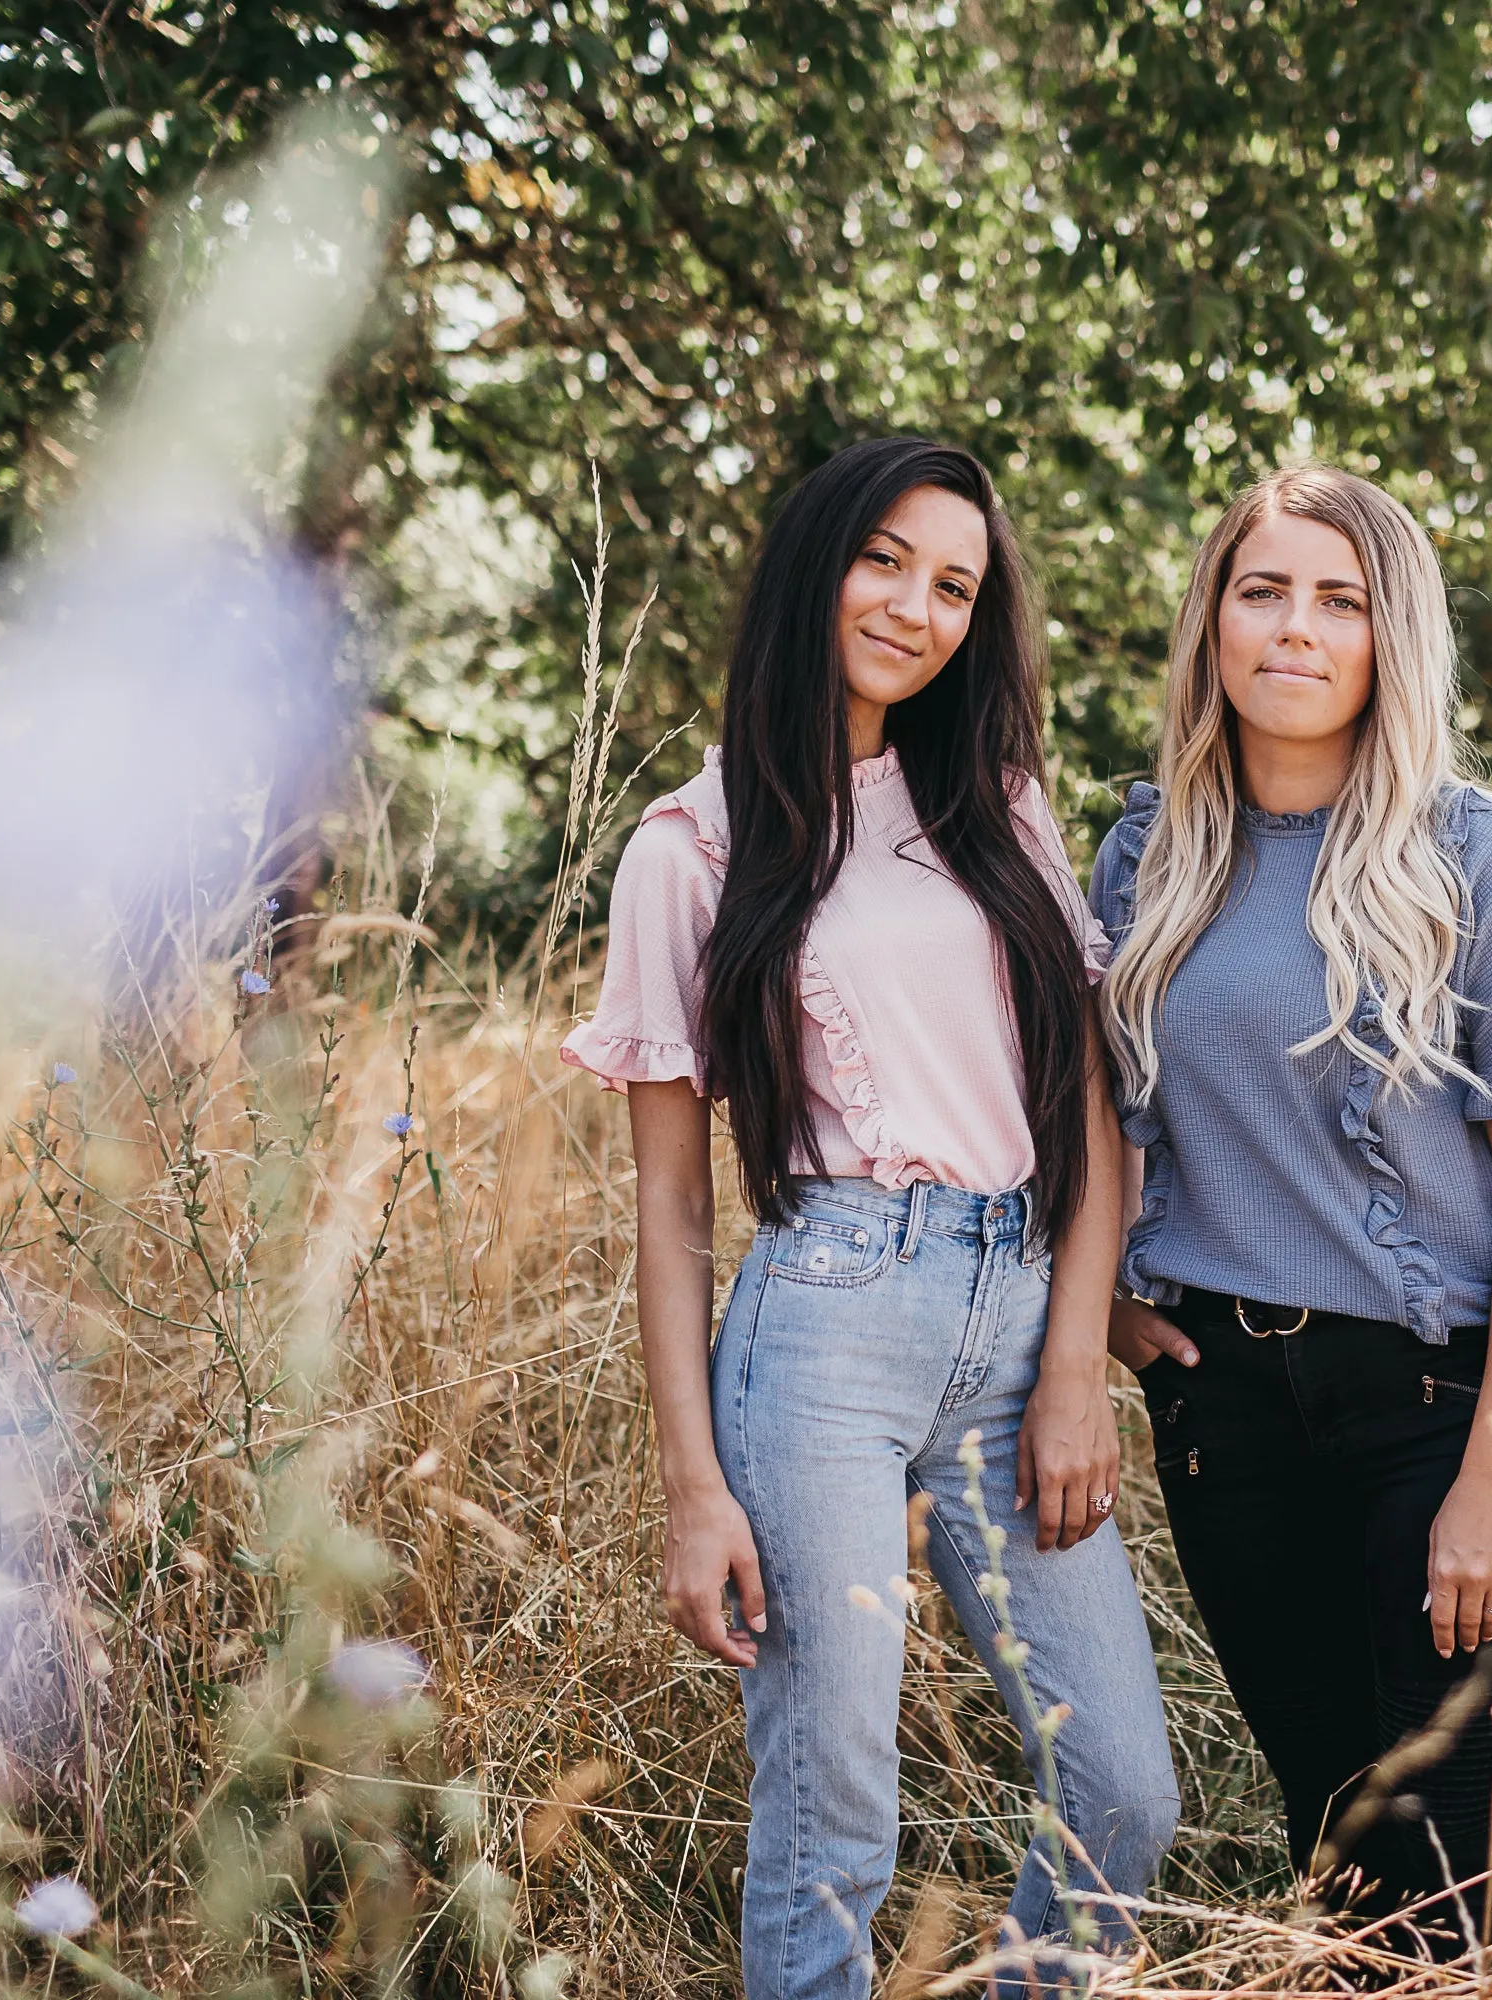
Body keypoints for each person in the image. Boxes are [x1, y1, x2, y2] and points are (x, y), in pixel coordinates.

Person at [562, 437, 1178, 2000]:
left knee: (1123, 1796)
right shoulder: (688, 851)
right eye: (886, 560)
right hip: (822, 1332)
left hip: (1019, 1314)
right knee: (836, 1825)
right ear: (816, 565)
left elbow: (1091, 1110)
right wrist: (692, 1485)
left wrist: (1072, 1373)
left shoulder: (1001, 811)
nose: (917, 607)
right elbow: (671, 1203)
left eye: (956, 585)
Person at [1094, 466, 1492, 1964]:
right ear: (1212, 621)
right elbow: (1094, 1114)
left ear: (1394, 638)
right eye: (1263, 591)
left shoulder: (1469, 855)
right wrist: (1121, 1307)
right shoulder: (1148, 857)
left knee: (1455, 1863)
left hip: (1451, 1406)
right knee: (1340, 1854)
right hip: (1232, 1420)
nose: (1297, 630)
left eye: (1344, 600)